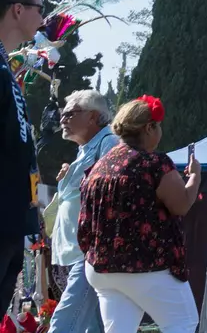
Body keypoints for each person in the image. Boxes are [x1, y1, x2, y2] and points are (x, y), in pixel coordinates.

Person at [77, 96, 201, 333]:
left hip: (101, 267)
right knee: (182, 323)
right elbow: (182, 204)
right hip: (146, 266)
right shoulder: (154, 163)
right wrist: (195, 176)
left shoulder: (98, 167)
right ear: (149, 127)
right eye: (158, 126)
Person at [47, 89, 118, 333]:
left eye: (70, 114)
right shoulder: (85, 150)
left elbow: (113, 192)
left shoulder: (109, 144)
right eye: (62, 114)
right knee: (93, 327)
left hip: (88, 253)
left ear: (93, 116)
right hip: (72, 253)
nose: (62, 119)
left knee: (63, 324)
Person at [0, 0, 45, 306]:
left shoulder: (5, 66)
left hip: (12, 220)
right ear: (18, 9)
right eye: (39, 9)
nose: (43, 18)